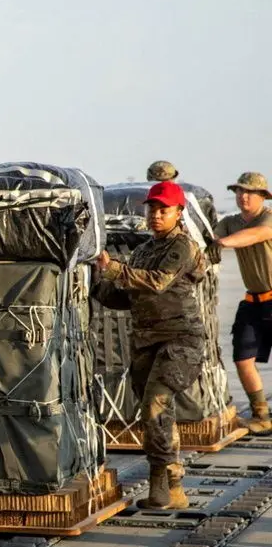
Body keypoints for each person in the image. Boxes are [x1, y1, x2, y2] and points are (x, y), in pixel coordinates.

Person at [93, 182, 207, 509]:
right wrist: (94, 283)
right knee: (155, 413)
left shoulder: (182, 247)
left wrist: (113, 267)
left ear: (178, 213)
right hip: (145, 342)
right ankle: (173, 484)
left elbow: (158, 282)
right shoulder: (144, 250)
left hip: (180, 340)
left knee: (155, 405)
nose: (156, 215)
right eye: (152, 209)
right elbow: (125, 298)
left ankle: (161, 482)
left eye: (164, 210)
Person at [214, 172, 272, 434]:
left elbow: (256, 235)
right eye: (238, 191)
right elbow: (208, 238)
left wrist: (222, 243)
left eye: (249, 192)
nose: (243, 196)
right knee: (242, 357)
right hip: (253, 300)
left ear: (262, 196)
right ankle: (261, 414)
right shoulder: (230, 222)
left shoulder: (267, 219)